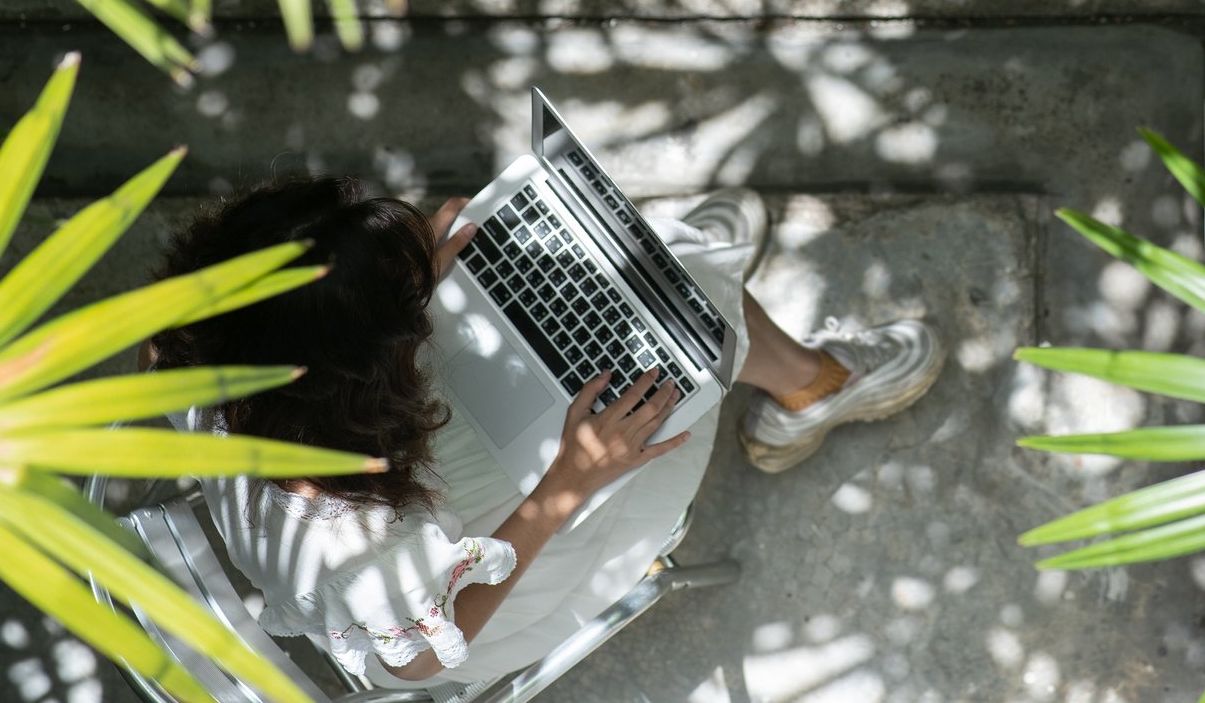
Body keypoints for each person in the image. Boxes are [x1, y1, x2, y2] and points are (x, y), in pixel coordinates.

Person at [145, 176, 945, 686]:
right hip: (472, 596)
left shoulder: (199, 338)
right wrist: (568, 482)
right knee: (694, 306)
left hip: (381, 509)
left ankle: (680, 269)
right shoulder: (358, 552)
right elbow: (419, 659)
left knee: (530, 243)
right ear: (357, 362)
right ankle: (805, 388)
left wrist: (396, 279)